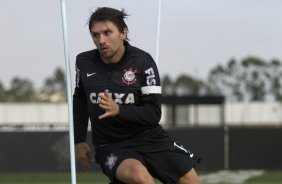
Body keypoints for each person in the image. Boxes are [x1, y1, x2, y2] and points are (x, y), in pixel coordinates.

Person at [73, 7, 201, 184]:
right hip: (111, 145)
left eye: (107, 33)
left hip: (150, 138)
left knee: (191, 181)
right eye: (95, 35)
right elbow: (80, 101)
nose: (101, 40)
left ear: (123, 33)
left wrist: (119, 110)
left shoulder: (143, 62)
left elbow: (154, 114)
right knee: (141, 178)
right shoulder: (83, 62)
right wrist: (79, 140)